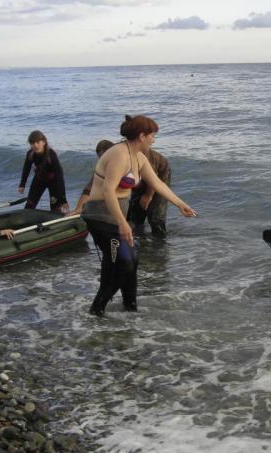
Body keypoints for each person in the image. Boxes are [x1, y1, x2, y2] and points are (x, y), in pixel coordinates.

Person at [81, 114, 196, 316]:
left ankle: (130, 307)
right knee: (124, 263)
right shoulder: (120, 155)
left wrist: (181, 204)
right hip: (100, 217)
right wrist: (123, 224)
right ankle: (97, 307)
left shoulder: (138, 156)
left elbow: (158, 184)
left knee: (129, 260)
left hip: (115, 218)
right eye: (152, 135)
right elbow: (108, 190)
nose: (154, 139)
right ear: (142, 136)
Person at [18, 130, 69, 213]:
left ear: (44, 142)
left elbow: (60, 177)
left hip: (53, 183)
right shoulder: (30, 154)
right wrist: (22, 184)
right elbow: (26, 169)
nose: (35, 145)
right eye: (32, 143)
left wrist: (63, 199)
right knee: (29, 206)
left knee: (55, 209)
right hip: (39, 180)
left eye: (38, 142)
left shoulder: (51, 155)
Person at [127, 147, 171, 238]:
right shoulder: (117, 158)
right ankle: (140, 243)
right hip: (139, 183)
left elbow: (154, 181)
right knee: (136, 215)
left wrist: (148, 195)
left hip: (159, 177)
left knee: (156, 218)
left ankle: (159, 245)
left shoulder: (143, 156)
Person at [69, 139, 114, 216]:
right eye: (100, 158)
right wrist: (79, 208)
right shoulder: (102, 167)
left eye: (103, 157)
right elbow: (89, 187)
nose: (102, 161)